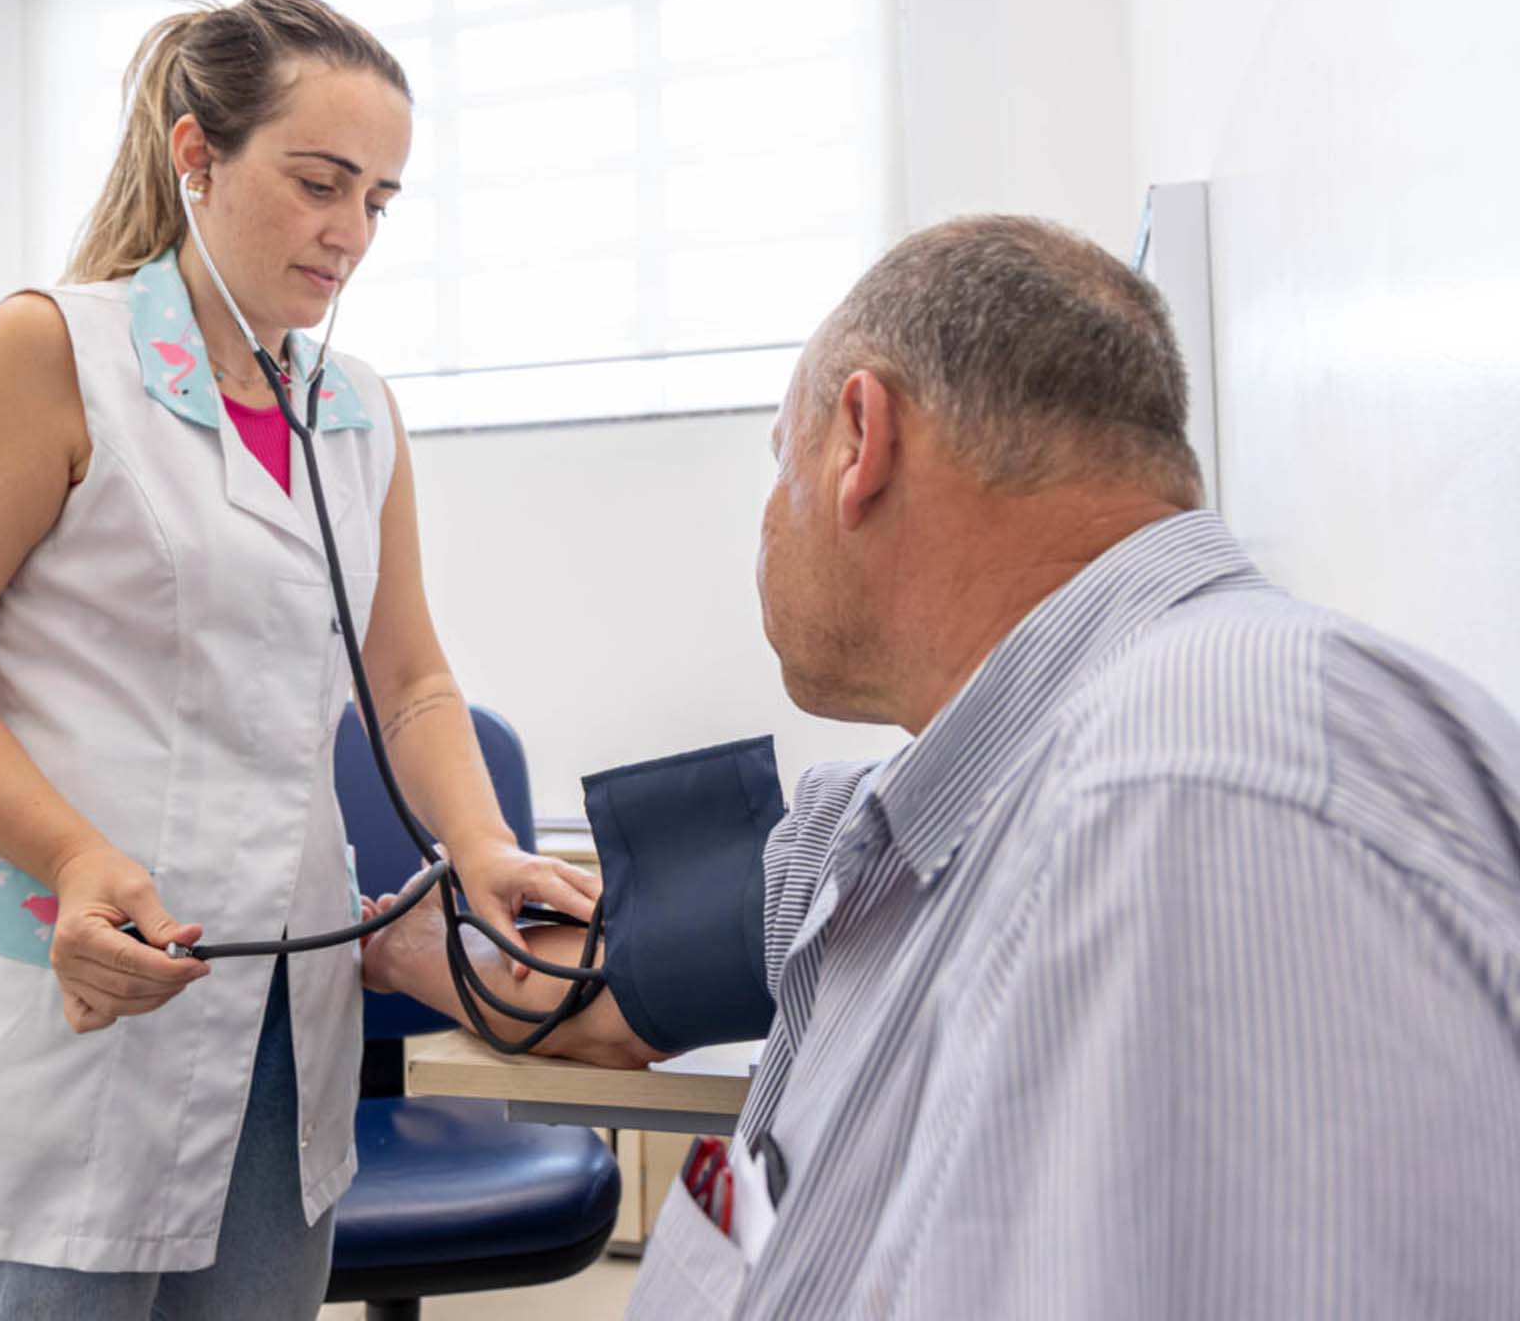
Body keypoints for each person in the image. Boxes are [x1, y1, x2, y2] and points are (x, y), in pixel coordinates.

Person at [363, 216, 1520, 1318]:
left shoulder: (1203, 797)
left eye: (781, 461)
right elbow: (594, 987)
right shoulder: (926, 815)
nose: (768, 521)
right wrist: (386, 940)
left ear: (863, 440)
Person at [0, 0, 601, 1320]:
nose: (349, 233)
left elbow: (408, 677)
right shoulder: (54, 352)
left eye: (380, 201)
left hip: (281, 1019)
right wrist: (72, 858)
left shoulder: (353, 412)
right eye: (319, 182)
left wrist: (481, 849)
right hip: (65, 1015)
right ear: (198, 157)